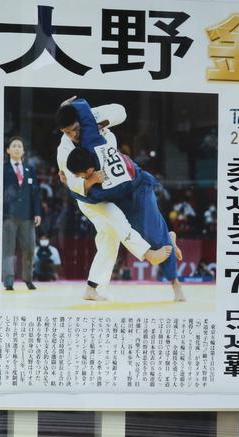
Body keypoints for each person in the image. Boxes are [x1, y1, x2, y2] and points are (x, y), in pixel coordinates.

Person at [65, 97, 185, 302]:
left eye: (83, 176)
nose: (74, 134)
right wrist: (69, 108)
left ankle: (175, 284)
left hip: (139, 187)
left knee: (155, 237)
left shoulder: (97, 188)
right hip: (125, 193)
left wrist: (69, 109)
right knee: (123, 233)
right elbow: (84, 111)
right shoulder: (92, 142)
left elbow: (81, 194)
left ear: (89, 171)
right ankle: (163, 241)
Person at [1, 136, 41, 291]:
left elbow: (36, 193)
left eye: (20, 146)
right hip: (8, 216)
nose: (17, 148)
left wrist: (37, 212)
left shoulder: (29, 169)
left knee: (29, 248)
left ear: (23, 151)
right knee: (8, 249)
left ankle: (28, 279)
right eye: (14, 146)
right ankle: (8, 281)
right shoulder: (3, 169)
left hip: (27, 216)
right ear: (8, 150)